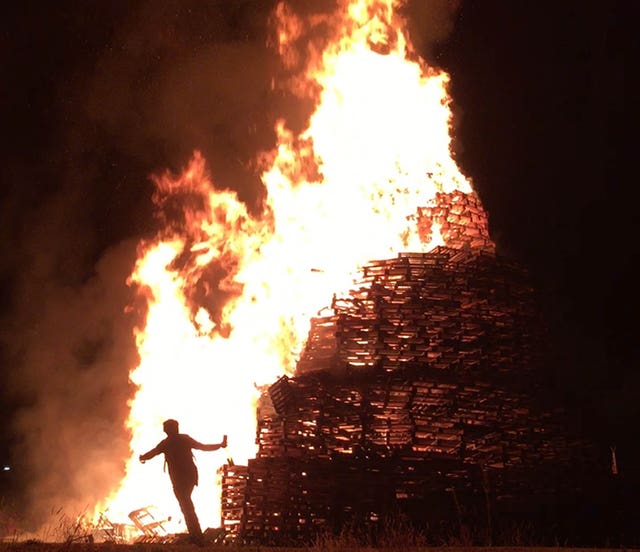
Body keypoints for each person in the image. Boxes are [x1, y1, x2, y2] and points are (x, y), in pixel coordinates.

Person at [139, 419, 227, 543]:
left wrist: (143, 457)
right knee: (187, 505)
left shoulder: (166, 443)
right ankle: (195, 534)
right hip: (190, 477)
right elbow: (203, 447)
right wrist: (219, 445)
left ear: (167, 430)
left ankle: (197, 536)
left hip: (179, 479)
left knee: (186, 506)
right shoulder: (184, 439)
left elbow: (153, 453)